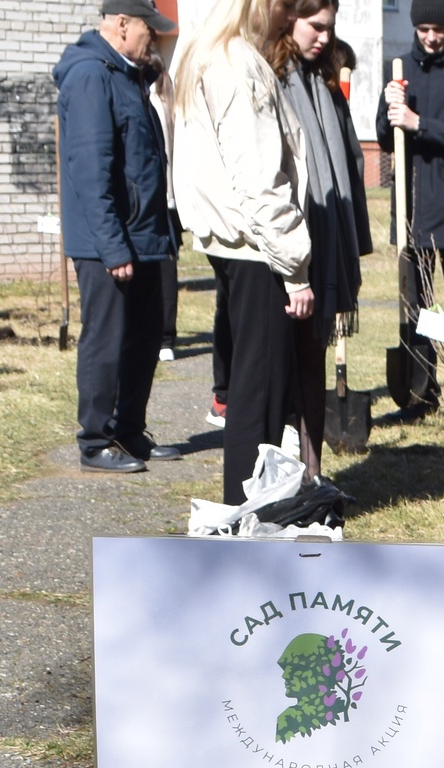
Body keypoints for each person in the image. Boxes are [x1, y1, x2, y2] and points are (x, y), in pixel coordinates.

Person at [171, 0, 310, 502]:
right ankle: (246, 515)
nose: (288, 19)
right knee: (261, 391)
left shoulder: (202, 53)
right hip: (256, 246)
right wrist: (294, 265)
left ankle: (249, 510)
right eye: (286, 7)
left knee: (254, 386)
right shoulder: (236, 62)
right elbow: (258, 177)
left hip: (233, 242)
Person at [56, 0, 184, 475]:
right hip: (108, 243)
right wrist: (112, 245)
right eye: (151, 29)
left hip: (144, 237)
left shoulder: (128, 76)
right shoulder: (91, 76)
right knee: (107, 340)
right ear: (122, 24)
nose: (155, 38)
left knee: (144, 338)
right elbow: (91, 171)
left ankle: (129, 431)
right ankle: (95, 440)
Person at [377, 0, 444, 421]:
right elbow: (385, 138)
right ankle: (423, 394)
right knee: (421, 310)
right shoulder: (400, 69)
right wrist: (390, 114)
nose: (430, 37)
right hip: (411, 211)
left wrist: (418, 123)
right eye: (423, 29)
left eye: (437, 29)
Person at [279, 0, 371, 475]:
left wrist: (352, 236)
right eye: (315, 27)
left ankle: (313, 476)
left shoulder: (326, 84)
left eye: (329, 30)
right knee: (281, 372)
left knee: (312, 365)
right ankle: (278, 480)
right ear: (288, 18)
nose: (323, 38)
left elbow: (350, 162)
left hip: (323, 246)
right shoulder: (272, 78)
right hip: (281, 249)